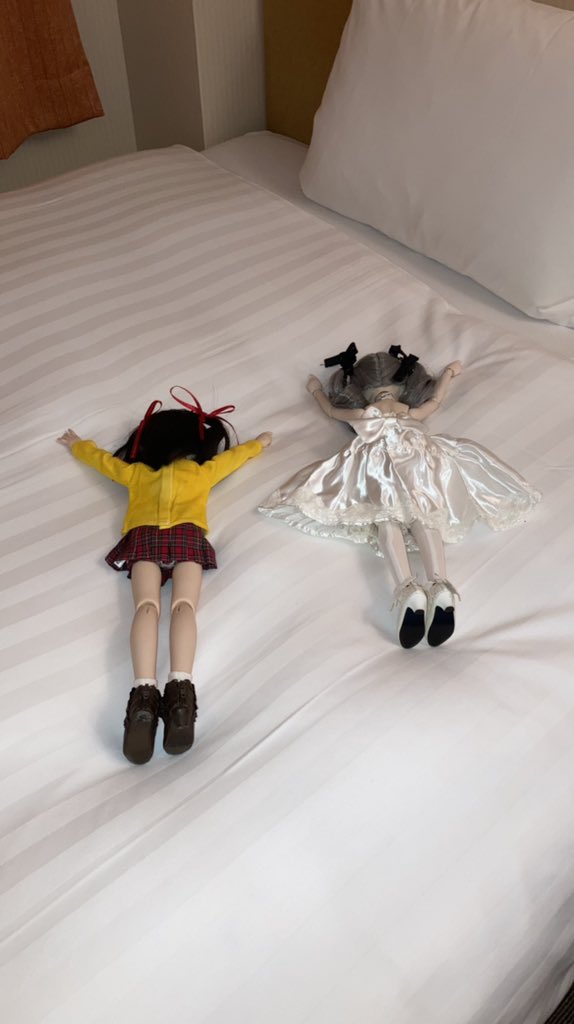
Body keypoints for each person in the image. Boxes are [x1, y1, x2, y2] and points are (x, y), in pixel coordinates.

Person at [259, 346, 540, 649]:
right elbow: (435, 401)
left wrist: (316, 389)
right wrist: (448, 373)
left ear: (360, 388)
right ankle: (439, 584)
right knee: (423, 516)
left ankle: (408, 588)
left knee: (387, 521)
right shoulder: (408, 411)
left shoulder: (364, 413)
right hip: (416, 461)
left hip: (377, 465)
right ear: (403, 383)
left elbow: (329, 411)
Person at [58, 386, 272, 764]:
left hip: (146, 540)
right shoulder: (199, 472)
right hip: (186, 538)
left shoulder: (139, 474)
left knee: (147, 607)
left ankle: (145, 695)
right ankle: (178, 693)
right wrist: (258, 444)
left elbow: (105, 463)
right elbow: (233, 459)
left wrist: (79, 445)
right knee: (183, 607)